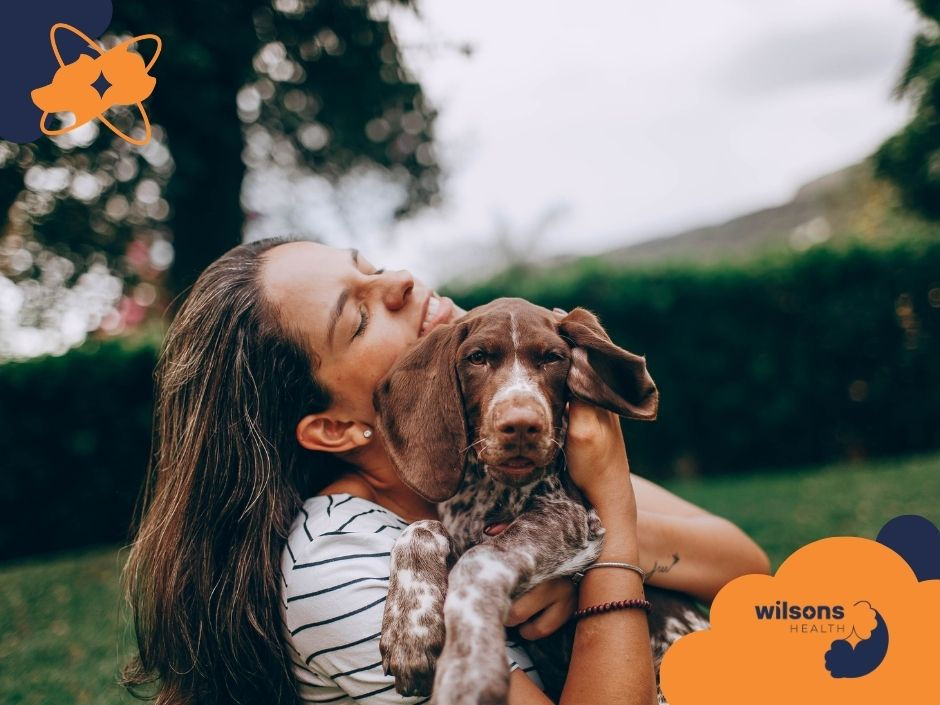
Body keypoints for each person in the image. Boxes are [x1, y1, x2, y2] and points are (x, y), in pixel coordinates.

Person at [122, 235, 770, 705]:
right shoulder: (336, 563)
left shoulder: (507, 470)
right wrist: (607, 539)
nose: (401, 279)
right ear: (336, 427)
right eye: (359, 314)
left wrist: (576, 550)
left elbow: (748, 570)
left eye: (370, 266)